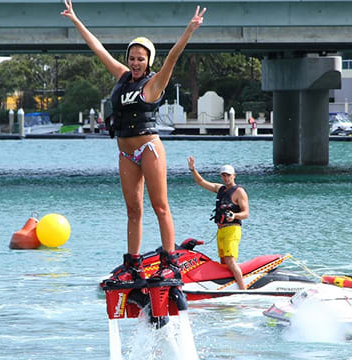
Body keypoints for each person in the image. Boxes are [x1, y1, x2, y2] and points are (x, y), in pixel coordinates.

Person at [62, 0, 206, 287]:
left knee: (160, 206)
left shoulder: (153, 83)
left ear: (148, 60)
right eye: (132, 58)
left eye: (141, 58)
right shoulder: (122, 77)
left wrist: (189, 31)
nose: (135, 63)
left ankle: (169, 262)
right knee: (133, 210)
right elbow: (98, 50)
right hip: (125, 153)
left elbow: (173, 58)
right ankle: (134, 263)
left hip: (149, 148)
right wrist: (76, 20)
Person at [187, 156, 250, 290]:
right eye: (223, 175)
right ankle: (229, 287)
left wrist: (234, 215)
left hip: (232, 229)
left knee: (230, 260)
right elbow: (201, 182)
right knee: (222, 262)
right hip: (221, 230)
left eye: (228, 175)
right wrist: (193, 169)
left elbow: (245, 213)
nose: (226, 178)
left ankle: (243, 289)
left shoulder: (239, 191)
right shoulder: (220, 189)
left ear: (234, 176)